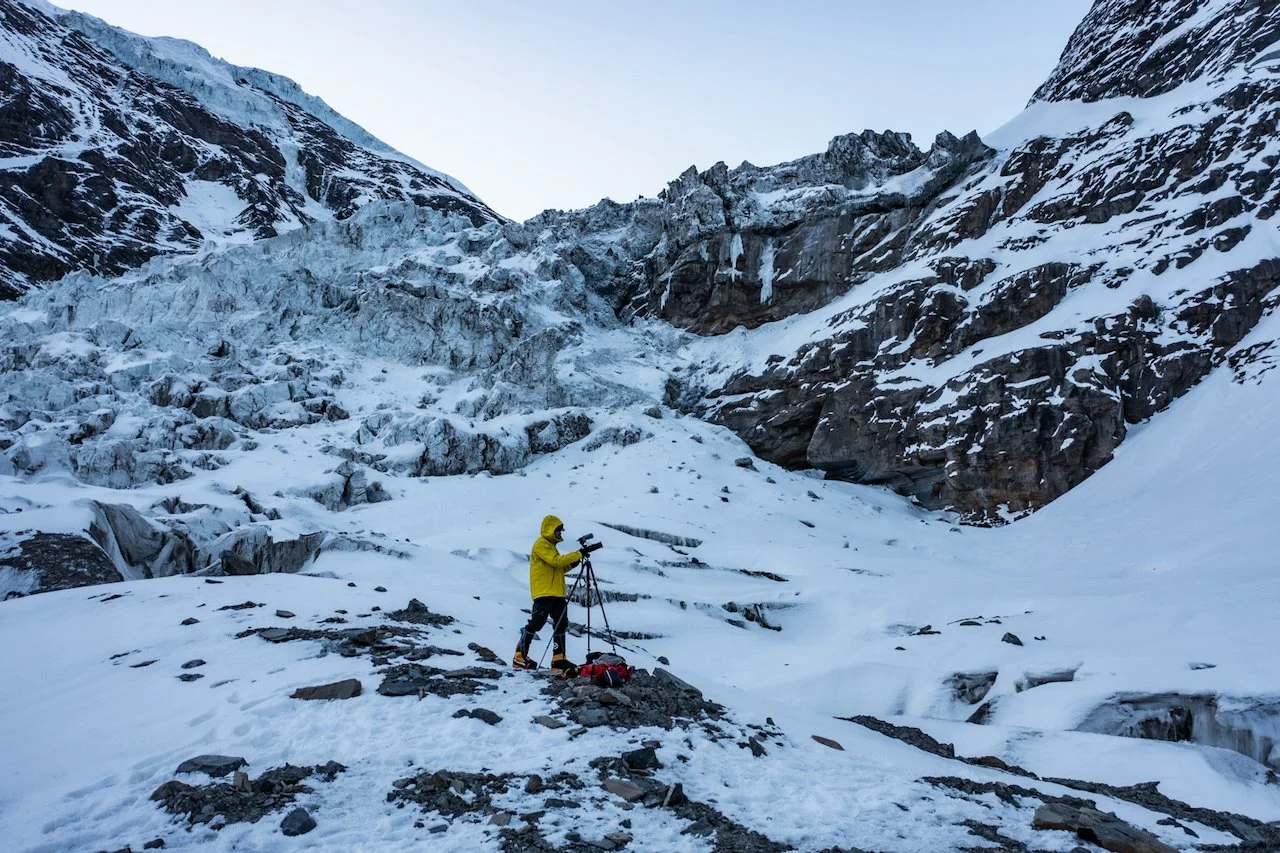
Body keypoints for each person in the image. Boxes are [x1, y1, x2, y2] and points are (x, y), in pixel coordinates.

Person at [512, 514, 600, 671]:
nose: (561, 533)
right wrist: (578, 554)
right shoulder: (541, 545)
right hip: (544, 591)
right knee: (537, 622)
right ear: (550, 530)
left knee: (561, 623)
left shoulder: (551, 547)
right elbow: (556, 561)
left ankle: (558, 658)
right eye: (559, 530)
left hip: (556, 592)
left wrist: (575, 561)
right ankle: (519, 656)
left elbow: (560, 567)